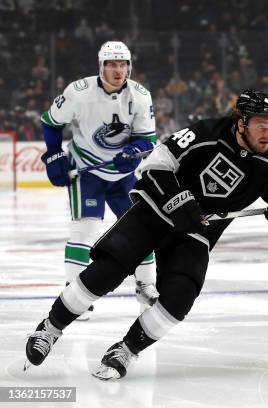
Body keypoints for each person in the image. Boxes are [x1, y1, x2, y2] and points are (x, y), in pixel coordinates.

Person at [25, 89, 268, 380]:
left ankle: (127, 349)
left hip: (195, 233)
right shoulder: (206, 132)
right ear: (241, 123)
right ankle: (50, 328)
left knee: (180, 298)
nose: (267, 133)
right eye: (261, 124)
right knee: (106, 271)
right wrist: (179, 199)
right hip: (155, 212)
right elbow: (156, 165)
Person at [39, 41, 158, 320]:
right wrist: (54, 154)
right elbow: (51, 121)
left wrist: (134, 151)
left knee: (142, 229)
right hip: (87, 171)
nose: (118, 70)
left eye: (122, 64)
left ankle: (146, 286)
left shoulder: (140, 96)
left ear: (129, 66)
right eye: (111, 64)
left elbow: (148, 140)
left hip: (124, 176)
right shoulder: (78, 93)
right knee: (85, 230)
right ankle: (74, 296)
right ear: (101, 66)